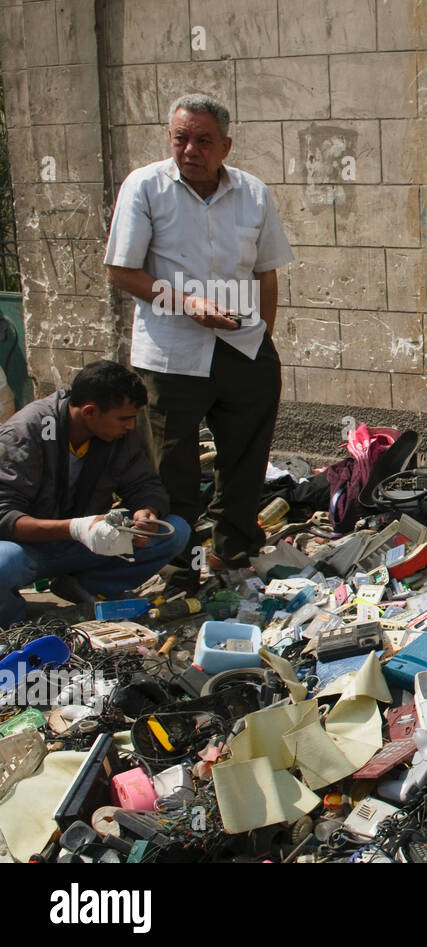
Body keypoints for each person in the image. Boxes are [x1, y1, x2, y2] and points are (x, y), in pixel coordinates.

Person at [104, 93, 293, 569]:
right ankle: (176, 563)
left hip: (243, 346)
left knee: (246, 461)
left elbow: (266, 272)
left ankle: (234, 554)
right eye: (181, 138)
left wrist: (262, 338)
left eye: (203, 140)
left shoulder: (252, 192)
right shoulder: (145, 187)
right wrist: (186, 304)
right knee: (172, 467)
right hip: (171, 355)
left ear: (225, 146)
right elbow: (121, 272)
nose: (191, 150)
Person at [0, 361, 190, 626]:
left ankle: (86, 586)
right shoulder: (25, 432)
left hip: (87, 543)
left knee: (175, 531)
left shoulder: (120, 435)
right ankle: (15, 626)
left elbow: (144, 484)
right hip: (28, 549)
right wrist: (75, 528)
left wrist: (147, 511)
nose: (130, 426)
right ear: (90, 412)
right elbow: (5, 516)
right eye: (123, 418)